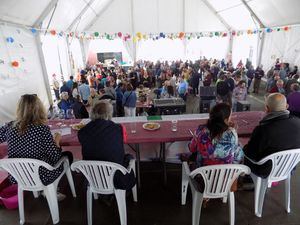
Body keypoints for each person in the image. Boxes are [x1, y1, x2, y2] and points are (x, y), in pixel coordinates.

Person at [0, 94, 73, 186]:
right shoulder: (41, 129)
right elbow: (55, 157)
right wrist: (57, 141)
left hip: (17, 176)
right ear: (39, 109)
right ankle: (52, 189)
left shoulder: (10, 126)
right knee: (68, 155)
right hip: (41, 175)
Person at [78, 101, 135, 190]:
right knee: (128, 157)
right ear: (109, 114)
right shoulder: (118, 128)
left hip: (93, 176)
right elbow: (123, 141)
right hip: (116, 176)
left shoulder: (82, 131)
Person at [243, 93, 300, 177]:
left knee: (240, 153)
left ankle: (247, 180)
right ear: (287, 106)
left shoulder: (263, 129)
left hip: (266, 170)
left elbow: (250, 154)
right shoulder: (298, 122)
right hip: (289, 167)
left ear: (266, 108)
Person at [189, 103, 244, 167]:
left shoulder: (201, 130)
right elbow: (237, 156)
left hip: (203, 174)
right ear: (225, 120)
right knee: (239, 149)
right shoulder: (231, 134)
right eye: (230, 116)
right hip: (226, 175)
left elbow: (192, 148)